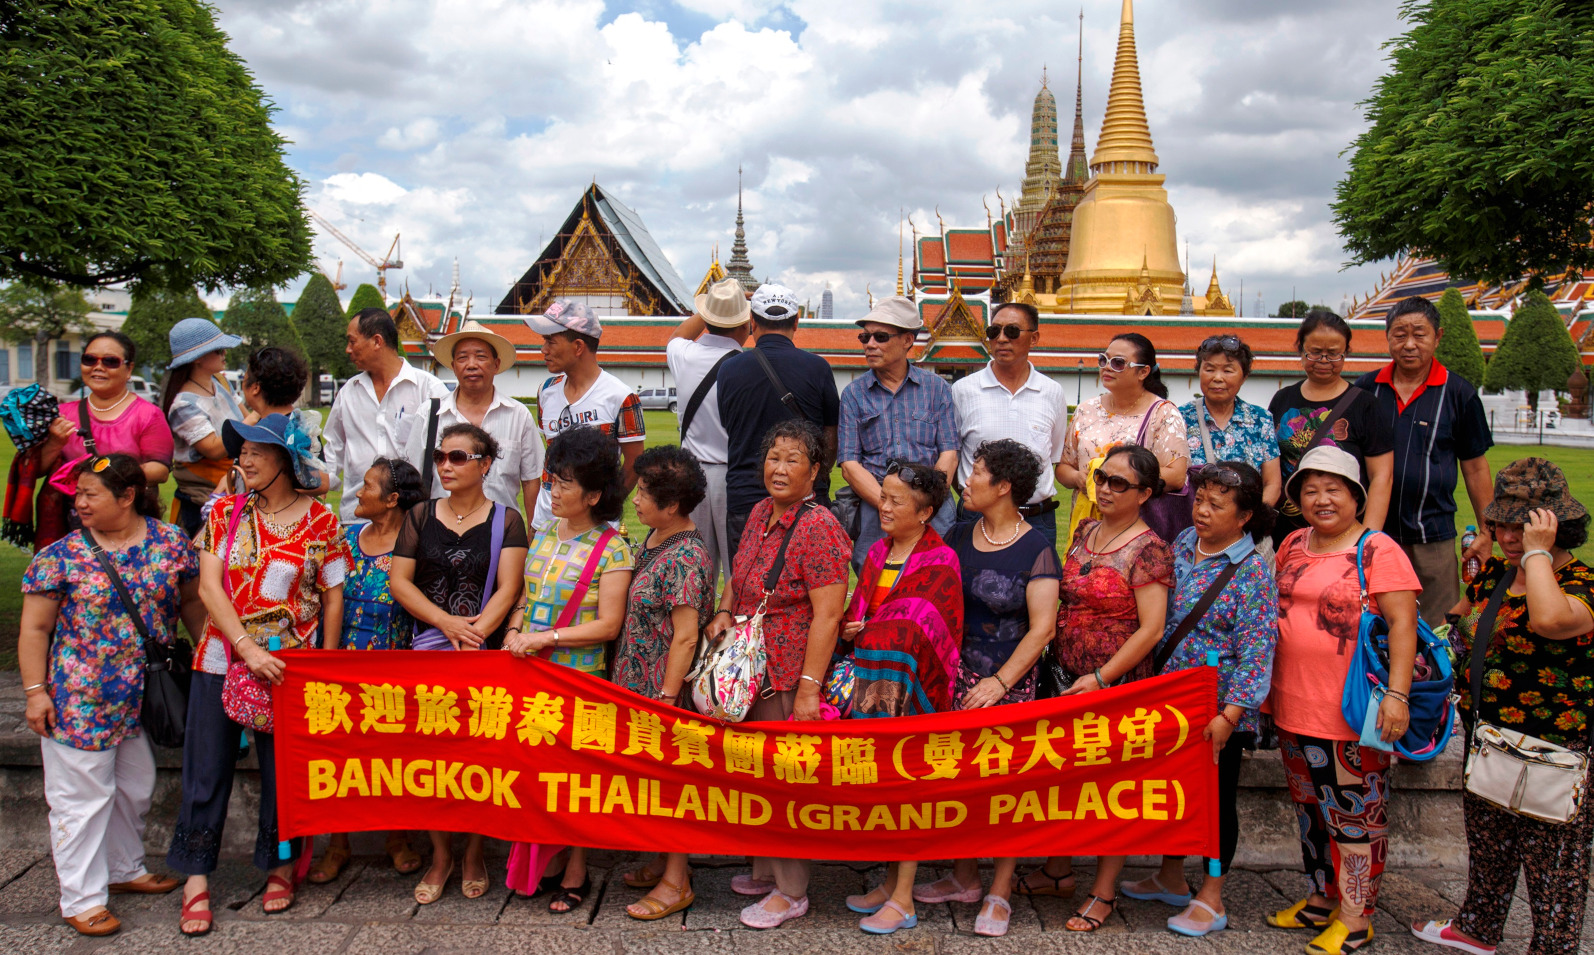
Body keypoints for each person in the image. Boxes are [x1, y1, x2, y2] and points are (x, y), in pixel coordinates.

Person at [170, 413, 350, 934]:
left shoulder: (322, 521)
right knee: (206, 771)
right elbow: (208, 590)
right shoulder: (223, 511)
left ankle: (279, 867)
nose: (243, 460)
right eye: (241, 451)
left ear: (286, 461)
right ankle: (196, 880)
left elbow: (333, 596)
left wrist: (325, 664)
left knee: (283, 777)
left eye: (256, 452)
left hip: (291, 669)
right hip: (221, 660)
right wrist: (247, 648)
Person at [1412, 458, 1594, 955]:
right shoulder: (1493, 575)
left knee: (1553, 864)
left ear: (1555, 524)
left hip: (1554, 747)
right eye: (1503, 524)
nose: (1511, 536)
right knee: (1489, 845)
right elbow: (1461, 622)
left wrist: (1537, 555)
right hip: (1489, 735)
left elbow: (1551, 621)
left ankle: (1552, 948)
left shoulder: (1582, 585)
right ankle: (1478, 926)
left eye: (1524, 525)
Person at [19, 455, 202, 936]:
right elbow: (35, 628)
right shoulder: (59, 557)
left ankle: (124, 869)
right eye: (77, 494)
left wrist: (210, 664)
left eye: (89, 494)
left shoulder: (171, 544)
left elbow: (190, 605)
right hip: (79, 699)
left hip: (142, 696)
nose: (77, 503)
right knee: (80, 799)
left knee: (134, 789)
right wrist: (36, 692)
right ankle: (81, 897)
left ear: (127, 497)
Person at [1266, 444, 1419, 955]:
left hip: (1349, 713)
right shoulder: (1292, 543)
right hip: (1292, 705)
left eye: (1333, 489)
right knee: (1310, 809)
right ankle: (1320, 900)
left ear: (1355, 496)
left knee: (1353, 814)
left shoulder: (1377, 550)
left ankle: (1356, 918)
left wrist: (1397, 695)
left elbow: (1402, 626)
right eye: (1310, 490)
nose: (1321, 499)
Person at [1018, 443, 1173, 933]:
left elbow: (1151, 628)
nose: (1104, 488)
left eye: (1118, 483)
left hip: (1117, 684)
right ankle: (1059, 868)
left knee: (1116, 790)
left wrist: (1103, 678)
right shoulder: (1085, 529)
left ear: (1145, 493)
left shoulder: (1150, 549)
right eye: (1101, 477)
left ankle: (1102, 893)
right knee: (1064, 780)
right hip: (1066, 676)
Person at [1120, 461, 1278, 937]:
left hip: (1214, 707)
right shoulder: (1183, 544)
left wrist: (1230, 715)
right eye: (1200, 499)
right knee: (1176, 793)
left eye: (1216, 504)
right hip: (1170, 698)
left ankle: (1212, 897)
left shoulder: (1252, 574)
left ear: (1245, 515)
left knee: (1215, 800)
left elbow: (1256, 653)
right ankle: (1171, 875)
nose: (1201, 510)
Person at [706, 418, 850, 930]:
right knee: (758, 772)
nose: (779, 468)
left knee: (785, 780)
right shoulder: (762, 512)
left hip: (788, 671)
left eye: (793, 459)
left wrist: (810, 688)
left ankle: (792, 891)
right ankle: (768, 867)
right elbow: (739, 572)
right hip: (750, 663)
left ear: (815, 471)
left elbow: (829, 614)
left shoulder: (818, 526)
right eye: (773, 456)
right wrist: (724, 609)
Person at [912, 439, 1060, 936]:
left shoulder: (1037, 547)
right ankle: (963, 877)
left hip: (1007, 686)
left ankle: (1000, 890)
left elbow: (1042, 629)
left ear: (1003, 487)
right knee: (955, 783)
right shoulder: (956, 534)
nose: (966, 480)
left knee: (1005, 791)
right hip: (952, 681)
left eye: (976, 473)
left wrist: (1000, 683)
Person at [389, 423, 529, 905]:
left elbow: (509, 588)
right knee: (431, 765)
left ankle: (473, 854)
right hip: (428, 651)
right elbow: (400, 582)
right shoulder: (420, 515)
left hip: (481, 657)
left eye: (457, 457)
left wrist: (475, 634)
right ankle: (441, 855)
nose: (446, 466)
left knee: (480, 763)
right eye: (440, 457)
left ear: (485, 464)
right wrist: (447, 624)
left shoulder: (507, 520)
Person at [502, 425, 634, 913]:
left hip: (579, 681)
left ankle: (576, 868)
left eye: (564, 485)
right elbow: (524, 597)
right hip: (531, 674)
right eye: (552, 480)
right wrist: (516, 628)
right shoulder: (542, 535)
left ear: (595, 495)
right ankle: (544, 860)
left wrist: (545, 638)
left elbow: (608, 624)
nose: (553, 492)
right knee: (534, 775)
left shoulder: (613, 548)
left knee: (574, 780)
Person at [838, 461, 962, 935]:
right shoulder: (875, 554)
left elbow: (929, 628)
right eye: (883, 497)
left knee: (908, 790)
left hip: (914, 698)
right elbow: (863, 612)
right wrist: (856, 627)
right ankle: (890, 884)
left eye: (895, 501)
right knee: (883, 791)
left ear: (926, 512)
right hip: (872, 691)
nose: (883, 507)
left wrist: (875, 628)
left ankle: (905, 898)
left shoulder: (941, 560)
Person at [308, 457, 428, 886]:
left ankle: (397, 840)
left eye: (369, 486)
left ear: (393, 499)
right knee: (337, 760)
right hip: (341, 664)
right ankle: (338, 845)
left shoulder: (415, 545)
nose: (358, 492)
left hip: (393, 669)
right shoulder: (344, 538)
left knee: (394, 760)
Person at [610, 446, 713, 921]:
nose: (635, 497)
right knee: (650, 782)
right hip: (637, 682)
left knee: (672, 786)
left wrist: (667, 699)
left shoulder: (687, 555)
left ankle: (678, 881)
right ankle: (659, 860)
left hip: (663, 692)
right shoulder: (654, 538)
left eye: (645, 492)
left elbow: (686, 635)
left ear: (672, 506)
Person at [1354, 296, 1495, 628]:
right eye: (1399, 334)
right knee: (1372, 622)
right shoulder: (1366, 390)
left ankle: (1434, 682)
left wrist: (1488, 532)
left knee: (1438, 630)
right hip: (1374, 534)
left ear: (1438, 336)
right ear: (1387, 337)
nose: (1409, 344)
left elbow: (1475, 468)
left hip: (1434, 534)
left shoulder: (1459, 393)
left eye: (1420, 334)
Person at [717, 284, 841, 564]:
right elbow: (830, 436)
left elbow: (729, 425)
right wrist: (816, 475)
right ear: (797, 321)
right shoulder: (817, 367)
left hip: (746, 495)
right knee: (807, 585)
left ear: (751, 323)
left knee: (748, 585)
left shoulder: (729, 369)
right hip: (805, 496)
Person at [838, 296, 959, 571]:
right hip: (876, 508)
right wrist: (889, 503)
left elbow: (949, 453)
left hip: (931, 509)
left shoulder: (937, 388)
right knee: (875, 580)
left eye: (880, 337)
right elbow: (849, 464)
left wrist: (926, 502)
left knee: (934, 578)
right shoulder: (853, 395)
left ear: (907, 341)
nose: (870, 344)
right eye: (865, 337)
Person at [34, 331, 173, 548]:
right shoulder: (62, 414)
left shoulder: (148, 415)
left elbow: (160, 470)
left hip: (126, 525)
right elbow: (38, 469)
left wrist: (106, 479)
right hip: (72, 527)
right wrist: (54, 443)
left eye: (110, 361)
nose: (98, 367)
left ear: (129, 369)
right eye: (90, 359)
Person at [1269, 308, 1393, 547]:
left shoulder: (1365, 404)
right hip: (1287, 533)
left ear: (1345, 353)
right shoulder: (1282, 400)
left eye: (1334, 354)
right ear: (1301, 351)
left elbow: (1382, 477)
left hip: (1346, 535)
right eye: (1315, 353)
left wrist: (1368, 538)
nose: (1324, 361)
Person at [1057, 332, 1188, 551]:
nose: (1107, 367)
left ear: (1143, 372)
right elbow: (1063, 467)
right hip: (1086, 525)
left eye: (1118, 363)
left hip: (1135, 528)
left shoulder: (1163, 414)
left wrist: (1119, 478)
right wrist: (1081, 478)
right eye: (1103, 360)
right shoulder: (1086, 410)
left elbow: (1176, 475)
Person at [950, 302, 1068, 545]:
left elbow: (1052, 455)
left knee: (1038, 582)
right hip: (976, 517)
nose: (1001, 339)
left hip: (1036, 517)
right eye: (994, 332)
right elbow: (954, 457)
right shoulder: (963, 391)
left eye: (1012, 331)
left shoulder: (1051, 392)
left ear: (1033, 338)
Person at [523, 300, 644, 531]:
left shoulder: (621, 397)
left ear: (578, 347)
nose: (543, 350)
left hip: (596, 525)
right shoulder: (546, 391)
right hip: (546, 519)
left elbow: (634, 463)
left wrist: (604, 504)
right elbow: (549, 460)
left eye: (550, 341)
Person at [403, 319, 541, 516]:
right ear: (453, 366)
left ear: (496, 364)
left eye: (481, 356)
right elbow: (412, 478)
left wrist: (532, 535)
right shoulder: (429, 414)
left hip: (501, 535)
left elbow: (531, 480)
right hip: (439, 532)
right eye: (462, 358)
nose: (472, 365)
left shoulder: (518, 415)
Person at [325, 306, 450, 522]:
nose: (347, 349)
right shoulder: (348, 393)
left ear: (377, 341)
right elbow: (332, 450)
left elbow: (447, 455)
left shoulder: (429, 390)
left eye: (352, 341)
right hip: (357, 518)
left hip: (413, 519)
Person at [667, 276, 749, 589]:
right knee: (737, 575)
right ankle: (735, 636)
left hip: (689, 475)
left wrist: (715, 302)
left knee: (693, 574)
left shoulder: (683, 355)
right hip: (732, 476)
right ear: (745, 325)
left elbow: (678, 334)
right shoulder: (748, 365)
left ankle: (691, 634)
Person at [161, 318, 245, 535]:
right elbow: (214, 449)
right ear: (197, 358)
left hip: (236, 488)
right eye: (218, 350)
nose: (224, 354)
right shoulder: (183, 404)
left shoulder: (220, 382)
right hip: (201, 503)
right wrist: (255, 418)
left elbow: (244, 415)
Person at [1179, 334, 1281, 506]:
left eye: (1228, 370)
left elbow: (1272, 484)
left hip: (1245, 526)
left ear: (1244, 376)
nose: (1217, 378)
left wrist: (1249, 519)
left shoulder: (1260, 419)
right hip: (1193, 524)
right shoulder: (1179, 418)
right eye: (1209, 369)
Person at [237, 346, 331, 497]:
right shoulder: (295, 423)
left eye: (245, 378)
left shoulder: (296, 429)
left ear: (255, 387)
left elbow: (322, 482)